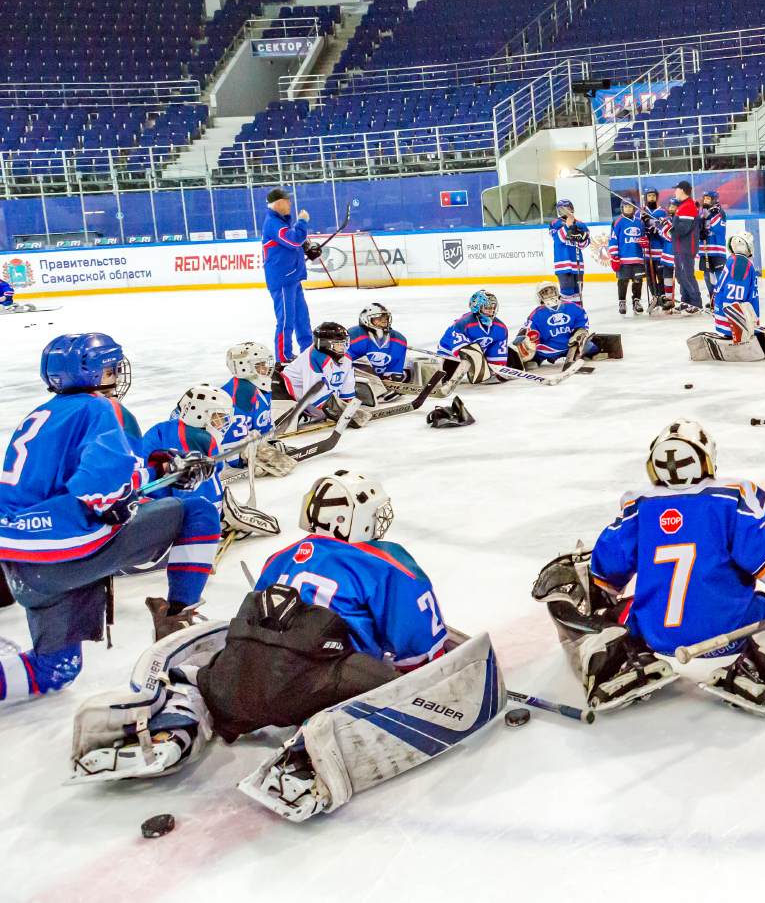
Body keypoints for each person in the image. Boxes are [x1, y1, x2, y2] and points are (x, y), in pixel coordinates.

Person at [67, 472, 498, 824]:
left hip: (238, 678)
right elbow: (420, 655)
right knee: (391, 686)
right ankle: (308, 751)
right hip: (317, 686)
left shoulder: (282, 556)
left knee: (208, 677)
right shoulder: (386, 560)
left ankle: (178, 720)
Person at [532, 422, 765, 716]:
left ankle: (620, 658)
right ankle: (757, 663)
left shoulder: (638, 506)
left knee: (622, 613)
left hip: (655, 635)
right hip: (735, 629)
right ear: (708, 460)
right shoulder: (733, 498)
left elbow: (604, 576)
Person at [0, 334, 217, 704]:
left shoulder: (44, 414)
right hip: (66, 554)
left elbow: (75, 478)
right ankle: (176, 619)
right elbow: (105, 491)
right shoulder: (101, 408)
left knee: (55, 669)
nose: (117, 374)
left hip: (20, 566)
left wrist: (154, 467)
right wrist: (162, 478)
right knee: (199, 511)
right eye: (112, 367)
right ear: (93, 372)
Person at [134, 385, 235, 629]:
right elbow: (198, 502)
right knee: (203, 516)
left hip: (131, 509)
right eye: (217, 417)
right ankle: (180, 610)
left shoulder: (165, 428)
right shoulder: (199, 439)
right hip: (146, 534)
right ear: (199, 414)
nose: (222, 425)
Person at [689, 232, 765, 362]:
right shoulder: (742, 263)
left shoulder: (734, 259)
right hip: (732, 322)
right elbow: (734, 295)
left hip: (725, 316)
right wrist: (737, 324)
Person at [279, 321, 369, 426]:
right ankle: (298, 415)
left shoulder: (346, 358)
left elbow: (347, 383)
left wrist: (347, 404)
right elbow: (314, 393)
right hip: (296, 398)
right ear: (324, 344)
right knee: (322, 411)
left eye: (344, 343)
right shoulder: (314, 358)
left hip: (320, 398)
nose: (342, 347)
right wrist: (339, 413)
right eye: (338, 344)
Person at [261, 188, 315, 363]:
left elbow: (294, 242)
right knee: (286, 321)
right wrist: (302, 221)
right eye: (287, 201)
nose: (290, 203)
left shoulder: (280, 221)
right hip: (283, 280)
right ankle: (283, 357)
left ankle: (308, 352)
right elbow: (293, 240)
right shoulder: (273, 222)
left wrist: (308, 248)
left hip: (292, 278)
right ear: (278, 203)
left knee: (302, 320)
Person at [436, 290, 510, 383]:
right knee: (445, 377)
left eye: (493, 308)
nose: (491, 311)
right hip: (449, 354)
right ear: (476, 308)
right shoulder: (463, 323)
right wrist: (478, 365)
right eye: (487, 307)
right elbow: (461, 351)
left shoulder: (500, 328)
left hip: (478, 355)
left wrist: (496, 368)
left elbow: (497, 353)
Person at [515, 282, 592, 368]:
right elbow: (529, 331)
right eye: (546, 294)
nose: (550, 296)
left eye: (552, 292)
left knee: (591, 347)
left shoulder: (572, 307)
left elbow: (581, 319)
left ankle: (601, 346)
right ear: (539, 297)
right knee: (532, 354)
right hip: (550, 347)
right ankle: (533, 360)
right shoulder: (537, 314)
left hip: (573, 344)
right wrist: (523, 340)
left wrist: (579, 331)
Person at [347, 302, 411, 391]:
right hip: (356, 380)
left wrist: (390, 379)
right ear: (366, 319)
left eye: (385, 318)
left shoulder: (399, 340)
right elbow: (346, 364)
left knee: (398, 377)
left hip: (380, 381)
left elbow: (395, 366)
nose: (384, 321)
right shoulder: (354, 335)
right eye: (378, 318)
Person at [610, 197, 650, 317]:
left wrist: (645, 242)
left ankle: (636, 301)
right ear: (622, 208)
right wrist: (614, 256)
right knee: (623, 281)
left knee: (638, 281)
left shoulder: (640, 222)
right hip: (623, 258)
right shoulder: (617, 221)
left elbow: (643, 238)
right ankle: (622, 302)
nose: (628, 208)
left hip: (637, 257)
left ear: (633, 208)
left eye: (630, 206)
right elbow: (612, 239)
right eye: (626, 206)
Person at [670, 182, 703, 314]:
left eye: (676, 190)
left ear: (683, 191)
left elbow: (683, 229)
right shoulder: (683, 206)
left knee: (687, 275)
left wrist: (668, 227)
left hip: (686, 248)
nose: (674, 192)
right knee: (681, 275)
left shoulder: (688, 207)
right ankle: (686, 301)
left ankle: (696, 304)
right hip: (679, 248)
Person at [548, 199, 589, 306]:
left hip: (577, 264)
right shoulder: (555, 223)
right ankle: (566, 313)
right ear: (560, 211)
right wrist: (567, 226)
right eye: (564, 209)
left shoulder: (580, 224)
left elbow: (584, 244)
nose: (567, 210)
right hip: (563, 264)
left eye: (569, 208)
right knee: (567, 292)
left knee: (577, 293)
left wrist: (582, 238)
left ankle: (578, 313)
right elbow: (558, 239)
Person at [641, 189, 673, 313]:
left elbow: (668, 230)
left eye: (654, 195)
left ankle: (662, 296)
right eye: (649, 196)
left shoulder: (663, 212)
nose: (652, 198)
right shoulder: (641, 212)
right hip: (647, 252)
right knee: (649, 276)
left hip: (660, 251)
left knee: (661, 276)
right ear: (646, 197)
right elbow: (638, 230)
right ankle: (654, 296)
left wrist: (658, 232)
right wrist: (642, 223)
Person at [699, 190, 727, 288]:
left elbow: (718, 229)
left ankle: (722, 297)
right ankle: (713, 298)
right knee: (707, 277)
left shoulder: (720, 213)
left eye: (708, 199)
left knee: (720, 276)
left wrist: (712, 215)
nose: (706, 201)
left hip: (717, 250)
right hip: (705, 250)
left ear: (714, 200)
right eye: (705, 198)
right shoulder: (702, 214)